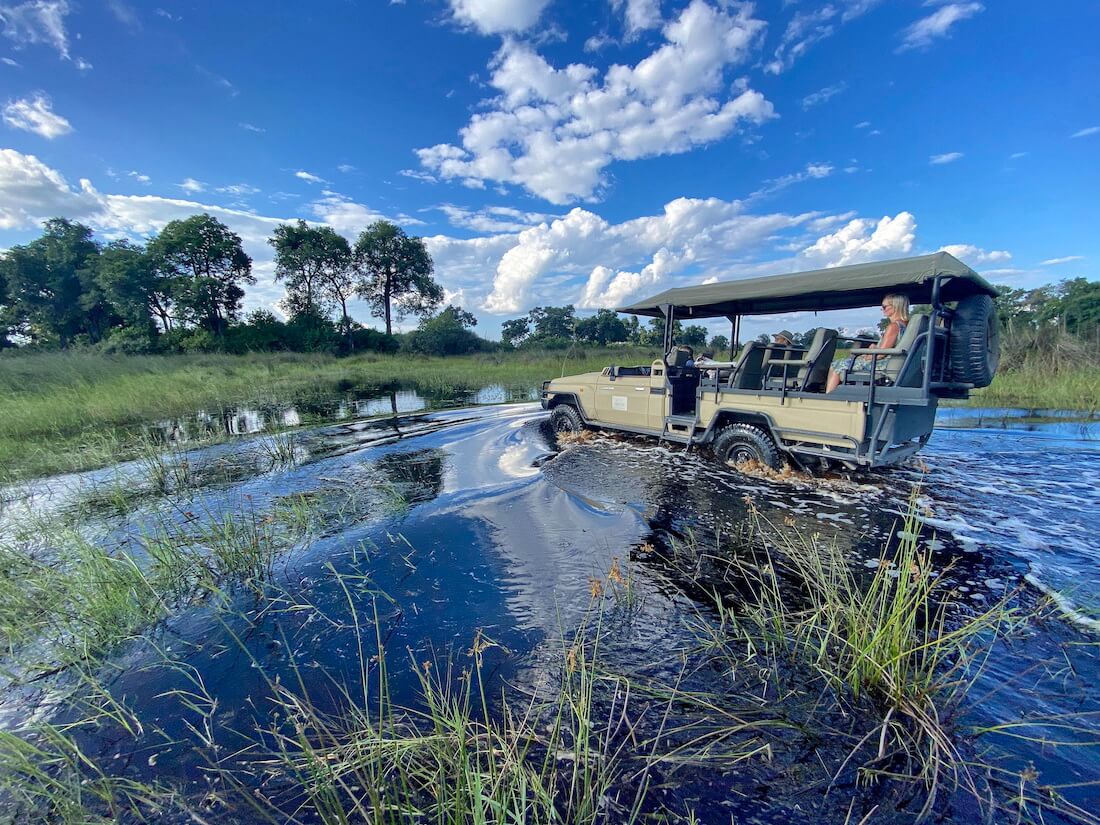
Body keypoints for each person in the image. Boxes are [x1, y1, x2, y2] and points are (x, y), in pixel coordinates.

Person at [826, 294, 910, 393]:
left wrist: (867, 356)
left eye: (884, 307)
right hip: (891, 362)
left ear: (895, 307)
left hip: (882, 365)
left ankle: (828, 396)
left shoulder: (893, 327)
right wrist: (875, 347)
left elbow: (881, 354)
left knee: (836, 364)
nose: (882, 309)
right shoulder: (906, 325)